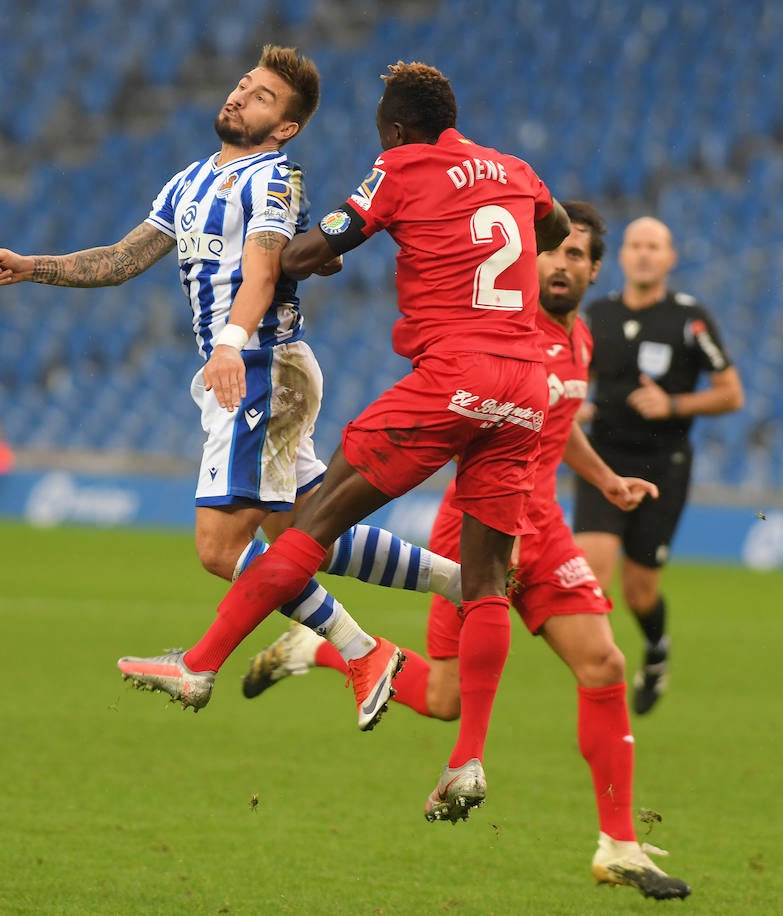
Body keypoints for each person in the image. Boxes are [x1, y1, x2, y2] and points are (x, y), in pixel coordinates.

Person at [117, 60, 570, 806]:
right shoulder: (516, 170)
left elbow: (313, 248)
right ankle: (466, 763)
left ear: (392, 128)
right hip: (525, 389)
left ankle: (200, 664)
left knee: (309, 524)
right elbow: (549, 223)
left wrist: (284, 259)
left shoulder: (398, 165)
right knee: (488, 583)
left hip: (452, 376)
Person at [0, 47, 463, 724]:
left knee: (221, 549)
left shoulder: (275, 179)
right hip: (256, 368)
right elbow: (122, 259)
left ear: (285, 126)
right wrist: (34, 266)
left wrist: (232, 344)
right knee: (302, 529)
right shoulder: (188, 181)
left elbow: (263, 271)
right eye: (243, 86)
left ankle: (360, 651)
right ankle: (464, 581)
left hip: (262, 364)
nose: (239, 97)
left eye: (262, 97)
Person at [240, 202, 691, 899]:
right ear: (530, 255)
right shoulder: (506, 332)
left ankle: (619, 844)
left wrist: (605, 479)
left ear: (595, 270)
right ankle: (318, 651)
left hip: (545, 527)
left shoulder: (581, 342)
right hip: (480, 526)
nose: (561, 265)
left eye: (576, 256)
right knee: (447, 699)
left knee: (603, 662)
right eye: (553, 252)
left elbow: (559, 416)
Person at [571, 217, 745, 715]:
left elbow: (732, 394)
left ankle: (655, 650)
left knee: (640, 592)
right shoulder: (595, 315)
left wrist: (673, 406)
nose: (645, 255)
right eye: (636, 246)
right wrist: (576, 401)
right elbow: (577, 377)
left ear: (670, 258)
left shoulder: (689, 319)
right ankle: (601, 677)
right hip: (604, 462)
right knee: (590, 574)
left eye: (655, 247)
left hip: (663, 466)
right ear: (622, 258)